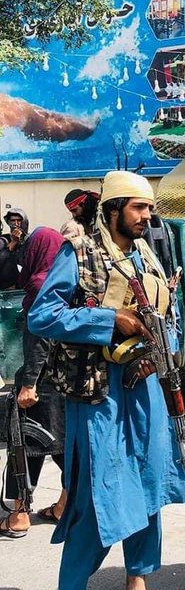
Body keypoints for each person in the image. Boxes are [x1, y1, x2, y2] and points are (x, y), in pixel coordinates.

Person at [27, 171, 185, 590]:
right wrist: (109, 319)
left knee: (150, 484)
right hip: (98, 394)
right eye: (139, 207)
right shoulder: (79, 253)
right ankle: (72, 583)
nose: (147, 216)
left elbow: (168, 314)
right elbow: (42, 316)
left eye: (150, 208)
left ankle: (137, 578)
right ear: (113, 209)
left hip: (146, 390)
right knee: (97, 496)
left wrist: (160, 354)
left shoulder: (147, 255)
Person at [1, 227, 67, 538]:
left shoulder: (42, 286)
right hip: (66, 380)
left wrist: (29, 383)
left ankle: (19, 515)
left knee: (24, 446)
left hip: (41, 380)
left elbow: (40, 339)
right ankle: (64, 505)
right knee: (63, 446)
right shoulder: (66, 282)